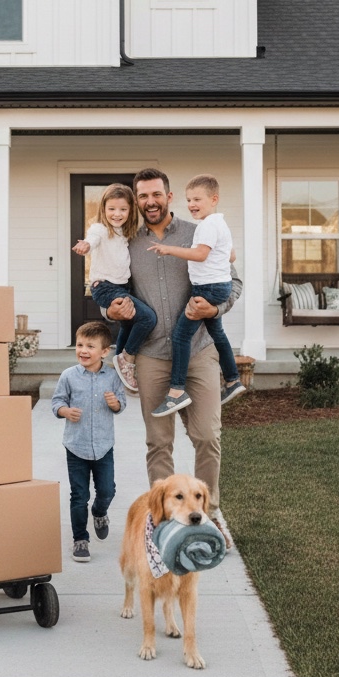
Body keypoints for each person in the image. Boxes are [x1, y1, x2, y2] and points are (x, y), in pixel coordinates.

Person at [105, 167, 241, 520]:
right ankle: (164, 521)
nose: (150, 202)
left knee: (207, 437)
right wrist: (112, 309)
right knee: (159, 443)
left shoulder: (202, 231)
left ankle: (207, 516)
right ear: (137, 200)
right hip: (151, 355)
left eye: (156, 194)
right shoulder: (125, 241)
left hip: (198, 350)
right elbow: (109, 286)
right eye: (143, 196)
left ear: (169, 196)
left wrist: (217, 306)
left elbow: (234, 279)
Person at [148, 174, 245, 417]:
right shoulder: (220, 223)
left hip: (207, 288)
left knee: (181, 337)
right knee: (217, 334)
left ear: (214, 199)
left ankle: (176, 392)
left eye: (197, 199)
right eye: (189, 199)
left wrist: (170, 249)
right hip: (218, 284)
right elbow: (231, 256)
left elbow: (201, 255)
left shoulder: (207, 225)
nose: (191, 204)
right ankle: (233, 380)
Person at [50, 320, 127, 563]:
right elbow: (56, 402)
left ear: (104, 352)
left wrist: (115, 404)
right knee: (78, 495)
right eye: (80, 344)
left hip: (104, 445)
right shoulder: (68, 376)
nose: (83, 350)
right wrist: (65, 411)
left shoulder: (112, 377)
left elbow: (121, 402)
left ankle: (100, 512)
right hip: (76, 445)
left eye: (90, 346)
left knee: (107, 490)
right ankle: (80, 539)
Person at [71, 183, 157, 393]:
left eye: (123, 209)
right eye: (111, 209)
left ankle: (120, 370)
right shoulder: (99, 229)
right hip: (105, 287)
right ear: (103, 209)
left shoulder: (126, 232)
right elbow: (92, 240)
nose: (117, 214)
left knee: (128, 324)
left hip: (123, 287)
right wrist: (86, 246)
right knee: (147, 318)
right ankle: (127, 358)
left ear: (130, 210)